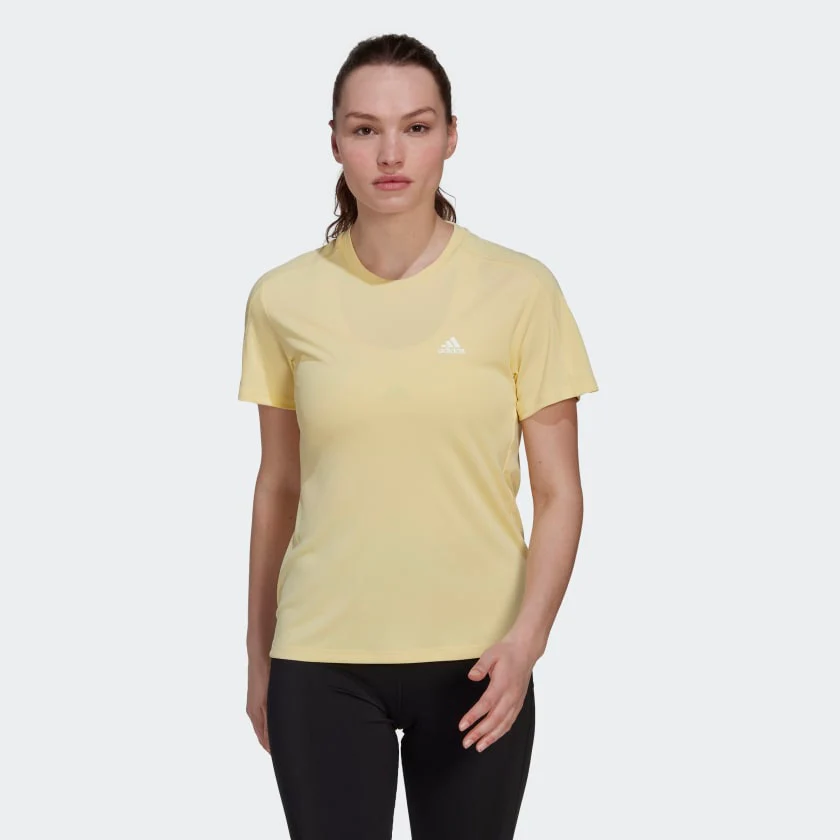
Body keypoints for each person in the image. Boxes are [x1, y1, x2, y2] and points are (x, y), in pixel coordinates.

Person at [237, 33, 599, 840]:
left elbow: (560, 493)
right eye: (365, 129)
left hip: (481, 663)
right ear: (335, 141)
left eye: (417, 127)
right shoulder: (282, 299)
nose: (391, 154)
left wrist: (527, 645)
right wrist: (259, 654)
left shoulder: (521, 290)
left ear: (452, 137)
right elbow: (278, 487)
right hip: (320, 661)